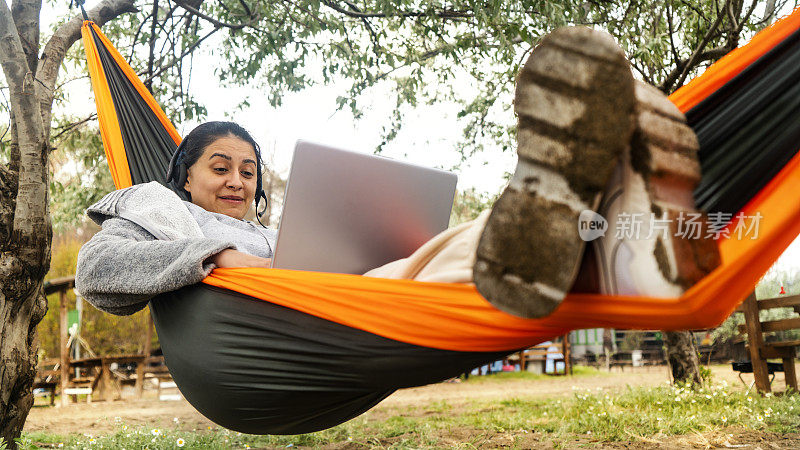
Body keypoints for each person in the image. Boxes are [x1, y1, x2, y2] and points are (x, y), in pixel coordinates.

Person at [76, 26, 719, 320]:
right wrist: (219, 258)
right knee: (484, 240)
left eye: (248, 171)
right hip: (292, 326)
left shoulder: (275, 237)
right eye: (221, 168)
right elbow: (95, 273)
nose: (238, 182)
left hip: (361, 300)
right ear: (184, 176)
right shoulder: (156, 212)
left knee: (465, 241)